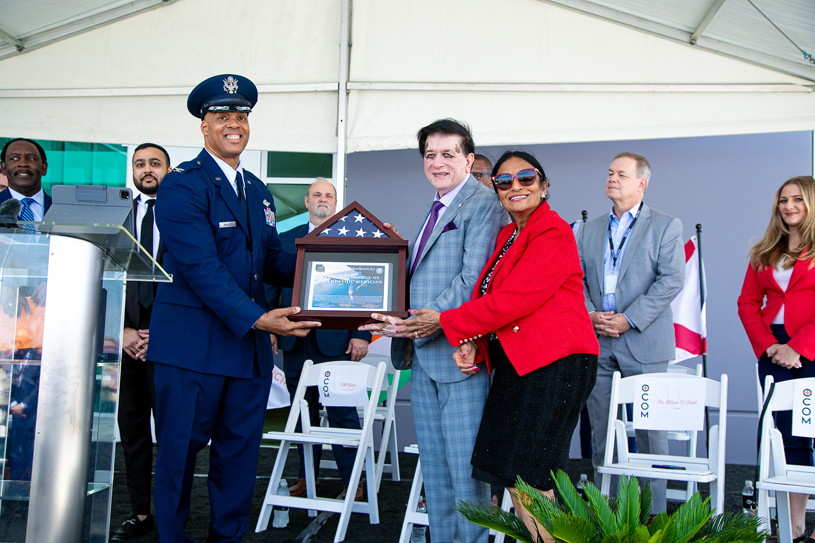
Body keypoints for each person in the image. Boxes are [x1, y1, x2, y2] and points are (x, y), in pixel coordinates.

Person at [146, 74, 320, 543]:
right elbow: (201, 267)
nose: (233, 124)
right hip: (191, 351)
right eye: (222, 116)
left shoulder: (257, 190)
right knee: (179, 457)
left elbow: (271, 261)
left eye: (240, 116)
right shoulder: (181, 186)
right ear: (203, 127)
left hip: (245, 355)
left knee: (239, 459)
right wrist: (259, 318)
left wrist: (330, 259)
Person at [361, 119, 507, 543]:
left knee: (467, 479)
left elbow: (471, 282)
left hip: (459, 357)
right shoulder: (438, 205)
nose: (438, 162)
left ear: (468, 159)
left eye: (448, 154)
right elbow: (422, 278)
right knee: (437, 476)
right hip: (422, 358)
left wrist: (416, 323)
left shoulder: (483, 204)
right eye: (430, 155)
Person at [577, 152, 684, 514]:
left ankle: (653, 518)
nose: (612, 178)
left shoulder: (666, 225)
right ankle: (606, 512)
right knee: (602, 432)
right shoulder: (589, 229)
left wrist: (629, 318)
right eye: (609, 172)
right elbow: (576, 279)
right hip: (599, 340)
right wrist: (592, 313)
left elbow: (672, 280)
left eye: (621, 174)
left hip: (644, 342)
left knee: (652, 434)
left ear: (642, 183)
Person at [265, 177, 371, 500]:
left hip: (338, 342)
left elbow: (364, 291)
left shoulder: (351, 241)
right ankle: (305, 478)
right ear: (307, 202)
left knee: (342, 413)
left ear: (335, 204)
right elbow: (270, 288)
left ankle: (354, 482)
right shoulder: (283, 241)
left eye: (329, 195)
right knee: (301, 415)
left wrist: (361, 335)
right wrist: (270, 327)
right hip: (295, 341)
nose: (323, 199)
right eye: (317, 195)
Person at [738, 176, 815, 542]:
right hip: (773, 351)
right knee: (787, 439)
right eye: (783, 200)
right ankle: (794, 524)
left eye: (797, 199)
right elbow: (748, 303)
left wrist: (798, 347)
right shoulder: (766, 251)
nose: (788, 206)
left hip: (810, 349)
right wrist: (769, 345)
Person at [110, 143, 171, 541]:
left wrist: (159, 334)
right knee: (132, 434)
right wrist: (124, 331)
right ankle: (141, 514)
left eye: (154, 163)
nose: (146, 169)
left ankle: (170, 516)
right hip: (126, 343)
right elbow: (103, 276)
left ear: (169, 169)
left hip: (169, 343)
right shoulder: (115, 215)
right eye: (139, 164)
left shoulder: (182, 213)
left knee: (171, 436)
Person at [0, 138, 52, 219]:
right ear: (3, 168)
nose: (23, 163)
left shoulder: (64, 209)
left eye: (31, 159)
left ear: (44, 168)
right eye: (14, 158)